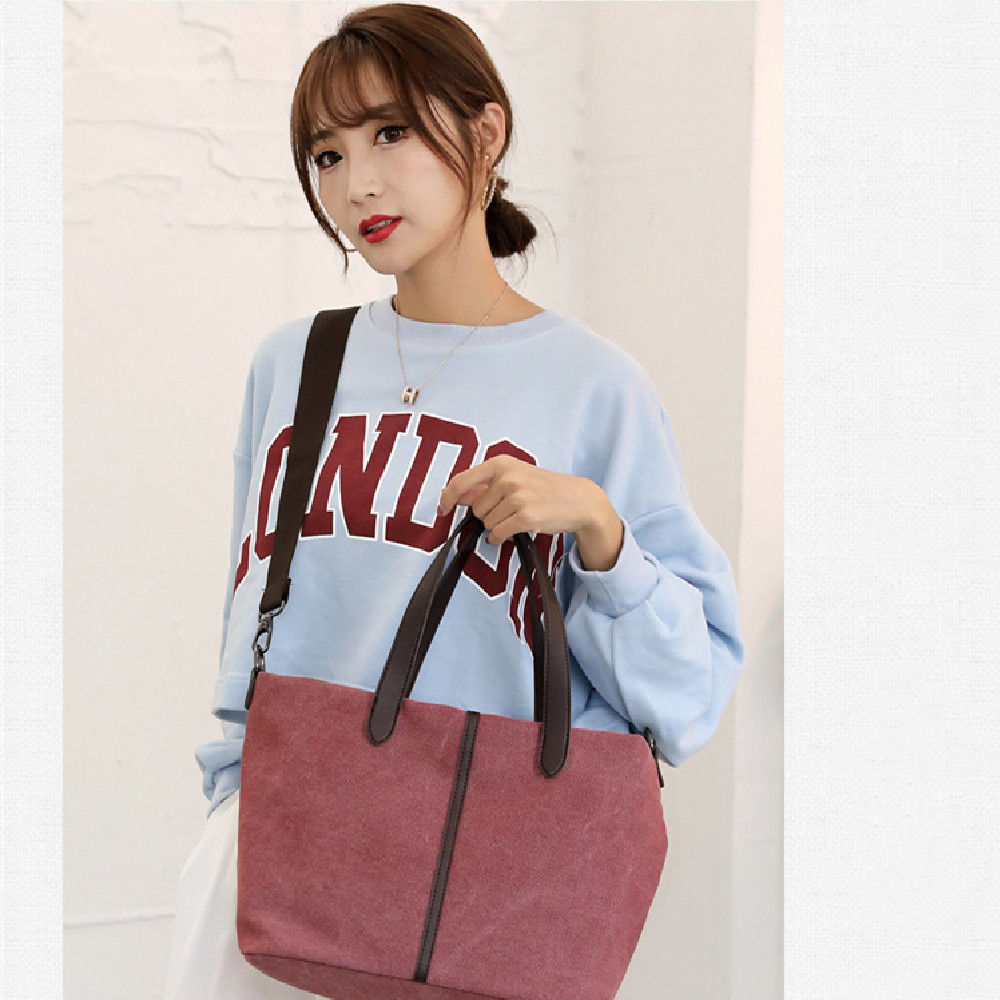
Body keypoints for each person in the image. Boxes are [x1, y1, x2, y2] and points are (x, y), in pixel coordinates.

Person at [163, 3, 746, 996]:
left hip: (479, 888)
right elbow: (250, 618)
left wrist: (600, 530)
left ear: (486, 130)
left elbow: (685, 700)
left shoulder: (592, 386)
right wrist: (230, 805)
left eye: (390, 131)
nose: (357, 183)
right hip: (276, 866)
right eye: (327, 154)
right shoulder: (294, 366)